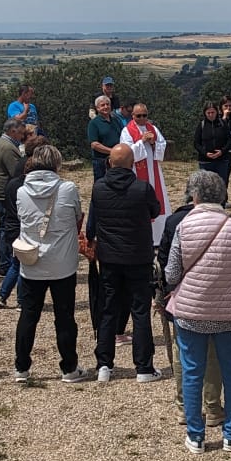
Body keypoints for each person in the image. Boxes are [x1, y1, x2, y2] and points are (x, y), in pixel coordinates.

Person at [165, 169, 231, 454]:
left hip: (192, 310)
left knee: (192, 371)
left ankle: (196, 435)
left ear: (195, 196)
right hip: (230, 312)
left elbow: (172, 272)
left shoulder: (184, 226)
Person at [86, 144, 161, 382]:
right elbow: (155, 211)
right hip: (138, 257)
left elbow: (91, 226)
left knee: (108, 309)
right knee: (140, 311)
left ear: (109, 163)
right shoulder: (142, 188)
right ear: (132, 164)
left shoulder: (98, 188)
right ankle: (144, 368)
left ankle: (104, 365)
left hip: (109, 258)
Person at [12, 143, 86, 385]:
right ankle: (69, 368)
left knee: (28, 316)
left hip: (31, 261)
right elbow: (77, 217)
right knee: (64, 317)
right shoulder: (67, 188)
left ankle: (21, 368)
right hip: (63, 262)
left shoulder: (22, 191)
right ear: (57, 164)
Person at [158, 180, 226, 426]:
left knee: (183, 353)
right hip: (218, 300)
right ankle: (212, 407)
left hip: (182, 298)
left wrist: (168, 291)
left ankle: (184, 407)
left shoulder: (175, 222)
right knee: (212, 355)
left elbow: (167, 265)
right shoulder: (228, 222)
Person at [120, 101, 171, 243]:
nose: (142, 119)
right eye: (139, 116)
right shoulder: (127, 131)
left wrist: (154, 143)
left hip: (153, 169)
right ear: (133, 115)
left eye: (145, 115)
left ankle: (157, 237)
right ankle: (140, 235)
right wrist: (142, 141)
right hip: (137, 171)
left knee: (156, 197)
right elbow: (128, 152)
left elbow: (162, 144)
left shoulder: (152, 128)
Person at [0, 118, 29, 274]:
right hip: (3, 193)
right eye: (21, 133)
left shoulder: (5, 143)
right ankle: (5, 264)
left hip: (0, 192)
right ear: (13, 131)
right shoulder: (8, 148)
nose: (22, 136)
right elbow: (16, 172)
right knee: (6, 228)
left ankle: (3, 261)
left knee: (3, 227)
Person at [0, 162, 25, 309]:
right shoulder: (24, 188)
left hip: (10, 228)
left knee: (15, 264)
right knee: (23, 265)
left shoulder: (10, 185)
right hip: (21, 228)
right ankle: (21, 300)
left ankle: (2, 295)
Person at [86, 94, 124, 180]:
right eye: (102, 105)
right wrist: (112, 151)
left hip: (117, 160)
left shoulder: (116, 120)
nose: (106, 107)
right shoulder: (93, 123)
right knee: (101, 185)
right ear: (97, 108)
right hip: (101, 162)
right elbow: (94, 145)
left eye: (108, 104)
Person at [193, 102, 228, 190]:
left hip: (221, 160)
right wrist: (205, 153)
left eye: (213, 112)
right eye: (208, 113)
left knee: (221, 185)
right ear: (205, 113)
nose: (211, 115)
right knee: (206, 186)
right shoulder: (201, 125)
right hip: (205, 161)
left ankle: (222, 203)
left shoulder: (223, 124)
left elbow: (229, 140)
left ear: (217, 112)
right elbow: (196, 143)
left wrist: (222, 151)